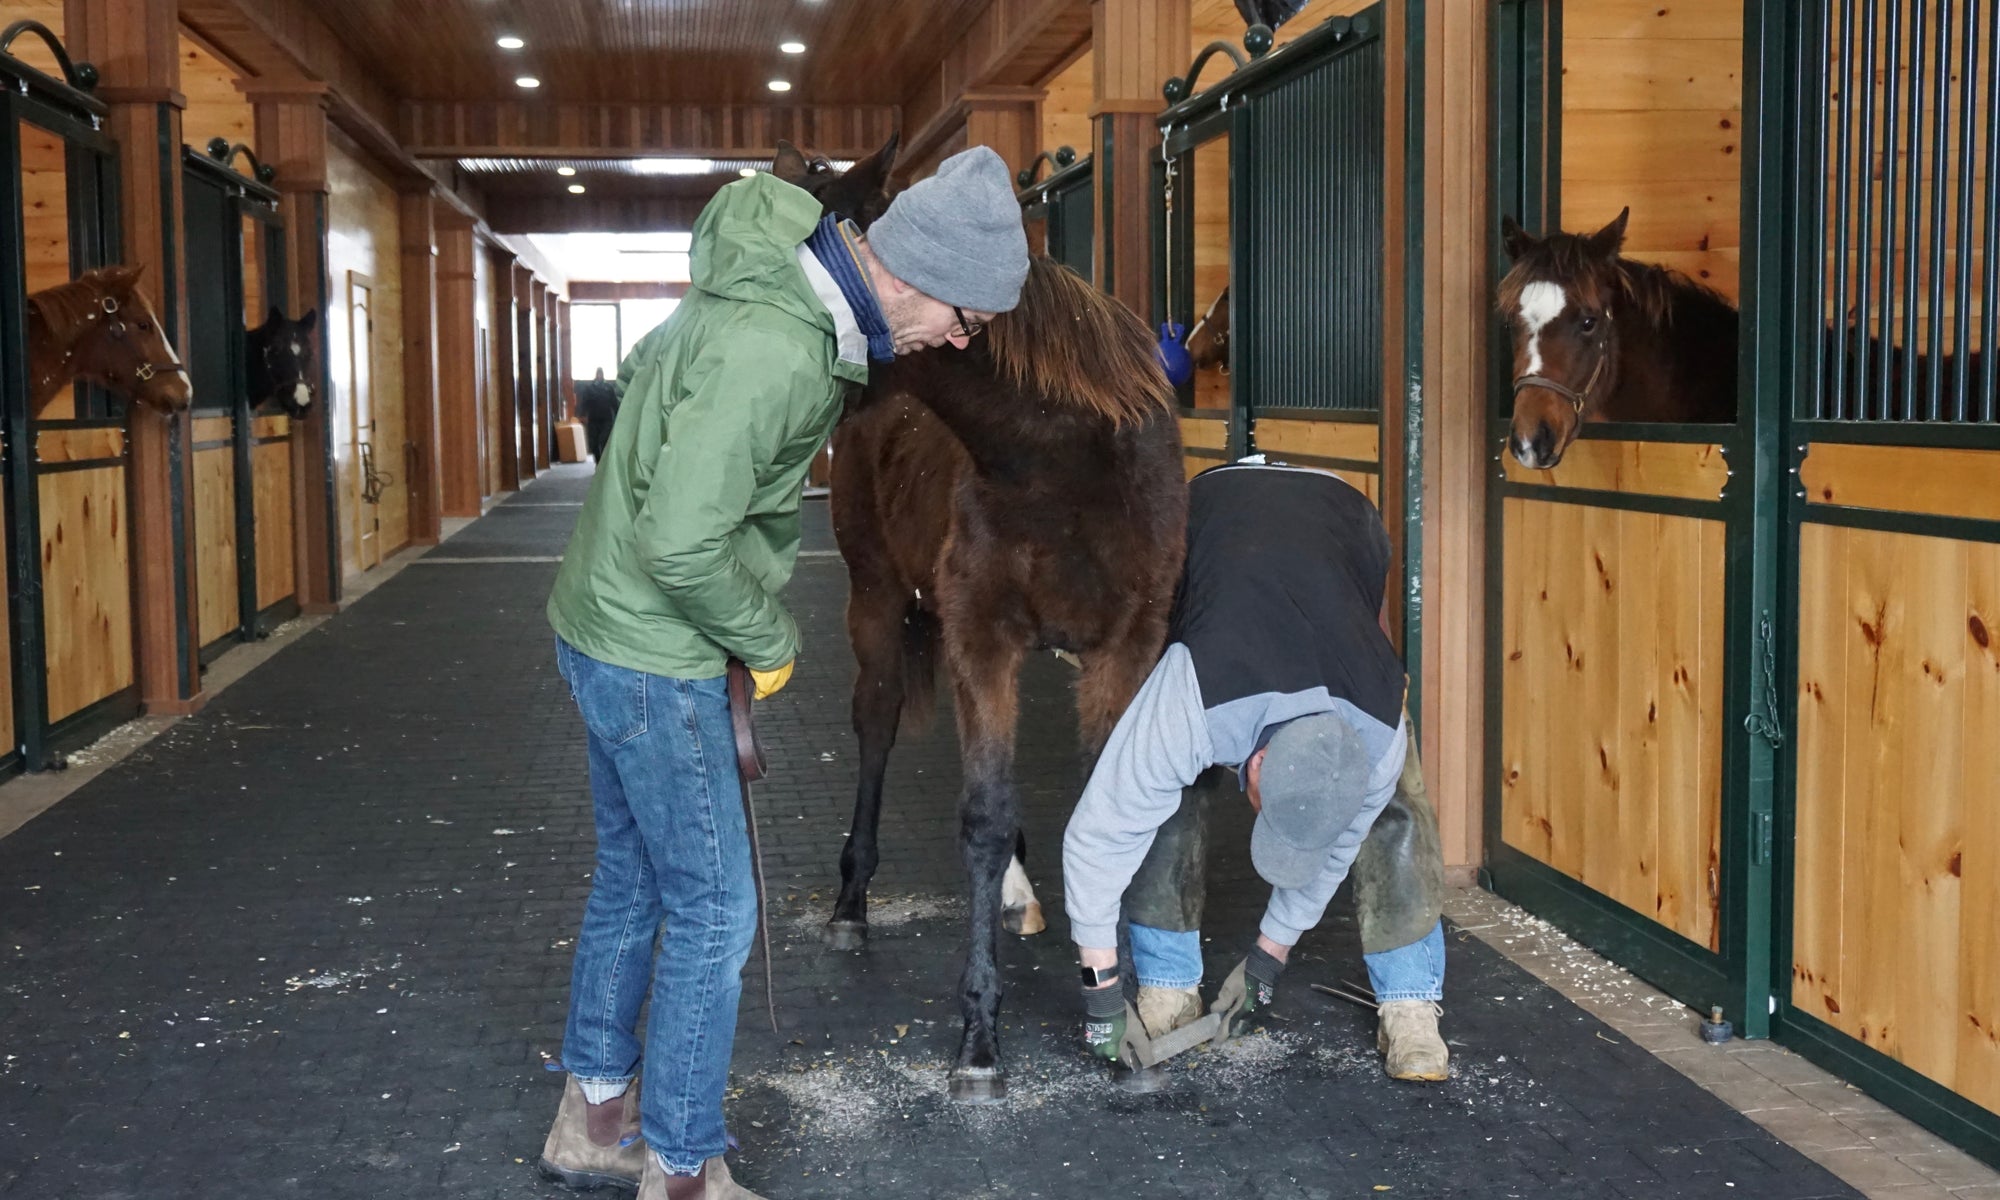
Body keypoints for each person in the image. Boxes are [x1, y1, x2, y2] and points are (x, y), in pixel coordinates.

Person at [539, 146, 1029, 1200]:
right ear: (917, 275)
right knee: (716, 910)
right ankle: (679, 1165)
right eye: (968, 317)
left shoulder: (760, 290)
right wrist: (765, 639)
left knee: (637, 881)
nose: (958, 339)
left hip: (604, 626)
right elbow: (679, 543)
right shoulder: (780, 348)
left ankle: (593, 1118)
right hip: (655, 652)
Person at [1063, 459, 1451, 1083]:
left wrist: (1269, 956)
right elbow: (1098, 834)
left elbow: (1334, 843)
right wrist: (1100, 986)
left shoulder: (1377, 738)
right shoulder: (1191, 699)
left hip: (1343, 517)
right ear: (1259, 759)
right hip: (1214, 509)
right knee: (1167, 788)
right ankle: (1166, 981)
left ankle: (1409, 999)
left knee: (1398, 805)